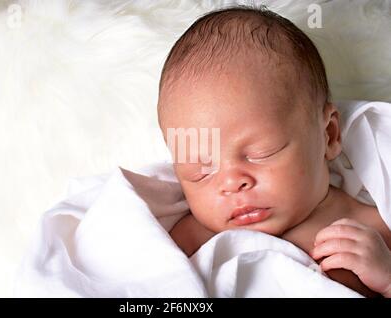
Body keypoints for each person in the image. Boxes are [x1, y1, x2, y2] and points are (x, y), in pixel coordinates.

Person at [157, 6, 391, 297]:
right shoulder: (187, 239)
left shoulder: (371, 230)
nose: (232, 182)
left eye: (262, 152)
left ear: (328, 135)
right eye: (200, 171)